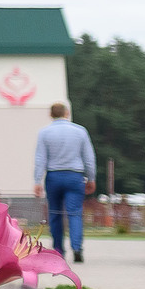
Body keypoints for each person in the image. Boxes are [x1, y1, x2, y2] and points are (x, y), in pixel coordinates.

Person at [33, 100, 95, 265]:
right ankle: (77, 248)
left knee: (55, 214)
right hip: (75, 176)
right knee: (74, 213)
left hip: (53, 176)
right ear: (67, 113)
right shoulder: (80, 131)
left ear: (51, 115)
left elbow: (40, 159)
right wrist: (91, 177)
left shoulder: (44, 133)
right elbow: (89, 158)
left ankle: (58, 249)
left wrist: (37, 180)